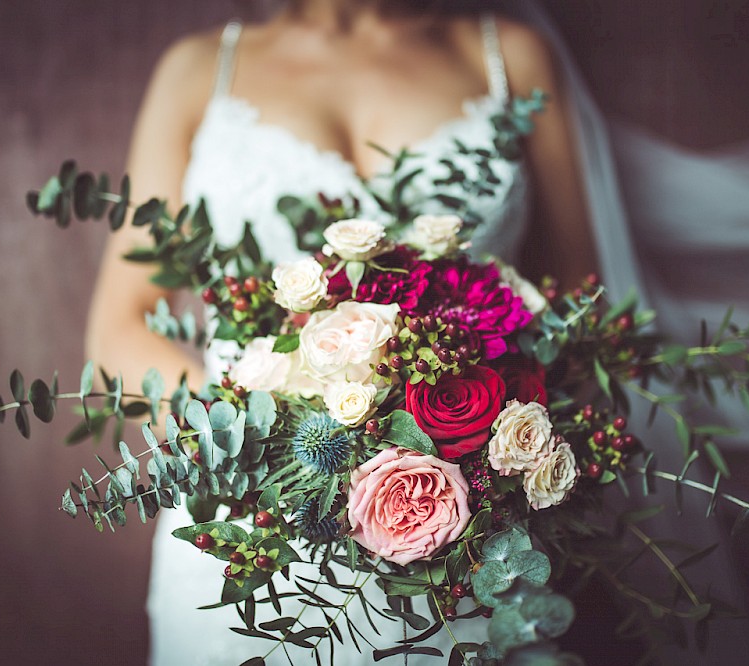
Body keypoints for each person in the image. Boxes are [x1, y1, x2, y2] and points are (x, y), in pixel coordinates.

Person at [85, 1, 599, 664]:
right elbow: (120, 325)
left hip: (465, 538)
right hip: (250, 522)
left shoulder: (507, 56)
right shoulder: (197, 71)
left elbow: (580, 319)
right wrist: (258, 435)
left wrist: (475, 439)